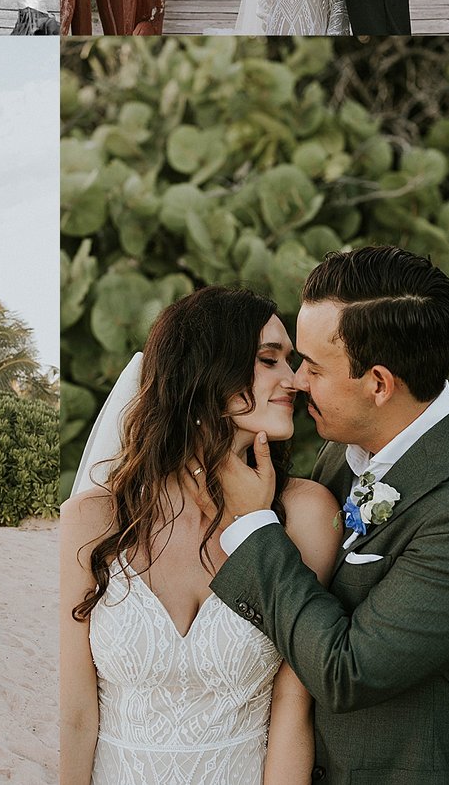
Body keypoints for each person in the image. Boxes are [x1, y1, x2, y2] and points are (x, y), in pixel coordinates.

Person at [212, 247, 449, 785]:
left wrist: (252, 528)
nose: (296, 381)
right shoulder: (346, 445)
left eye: (314, 367)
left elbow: (348, 672)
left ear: (380, 384)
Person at [60, 288, 342, 785]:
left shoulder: (305, 516)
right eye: (268, 360)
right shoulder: (92, 520)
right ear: (207, 371)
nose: (293, 380)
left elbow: (291, 708)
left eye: (290, 361)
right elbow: (76, 715)